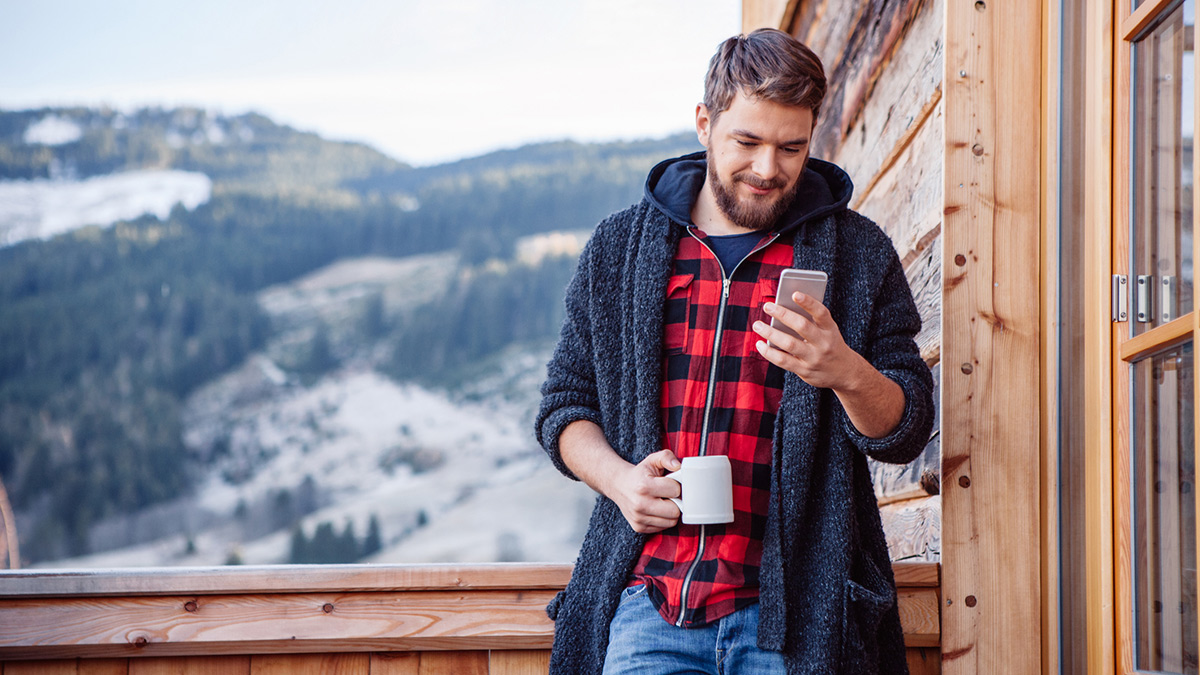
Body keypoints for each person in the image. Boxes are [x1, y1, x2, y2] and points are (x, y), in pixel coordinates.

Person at [535, 28, 934, 675]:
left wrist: (844, 371)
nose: (768, 167)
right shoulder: (619, 247)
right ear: (704, 122)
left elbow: (905, 426)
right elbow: (563, 408)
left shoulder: (857, 252)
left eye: (791, 146)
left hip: (796, 619)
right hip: (647, 602)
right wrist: (619, 480)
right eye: (747, 142)